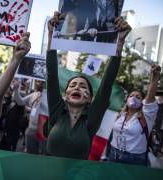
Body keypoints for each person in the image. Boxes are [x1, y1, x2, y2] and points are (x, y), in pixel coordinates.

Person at [46, 12, 131, 159]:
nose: (77, 87)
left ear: (90, 98)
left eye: (83, 86)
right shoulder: (57, 110)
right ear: (66, 95)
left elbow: (106, 84)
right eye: (72, 85)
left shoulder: (91, 119)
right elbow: (52, 74)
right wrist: (52, 35)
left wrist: (119, 43)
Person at [108, 65, 161, 166]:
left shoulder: (146, 116)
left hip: (135, 159)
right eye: (131, 96)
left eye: (138, 97)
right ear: (127, 100)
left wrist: (154, 77)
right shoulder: (120, 115)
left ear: (142, 102)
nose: (134, 98)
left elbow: (150, 96)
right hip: (113, 154)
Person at [13, 80, 48, 154]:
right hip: (31, 129)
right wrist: (16, 90)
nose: (39, 83)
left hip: (44, 131)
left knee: (43, 156)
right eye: (38, 82)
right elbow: (20, 102)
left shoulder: (51, 96)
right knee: (31, 154)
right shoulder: (34, 94)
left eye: (42, 82)